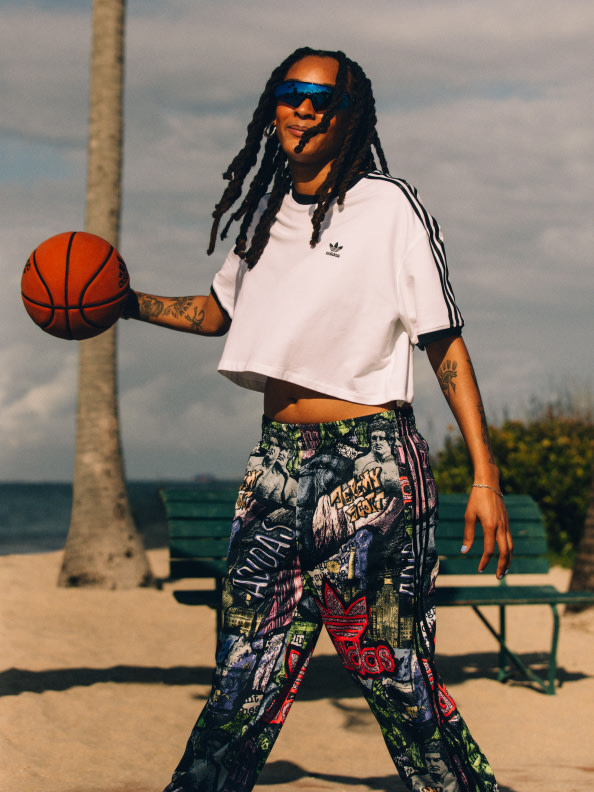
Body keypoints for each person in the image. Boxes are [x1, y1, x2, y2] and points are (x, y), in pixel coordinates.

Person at [123, 47, 512, 792]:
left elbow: (444, 343)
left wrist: (486, 478)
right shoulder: (263, 219)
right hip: (275, 466)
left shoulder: (389, 206)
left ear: (348, 115)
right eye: (291, 93)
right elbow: (218, 312)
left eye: (321, 98)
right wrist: (126, 302)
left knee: (397, 678)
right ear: (274, 105)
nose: (304, 107)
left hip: (370, 464)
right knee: (242, 677)